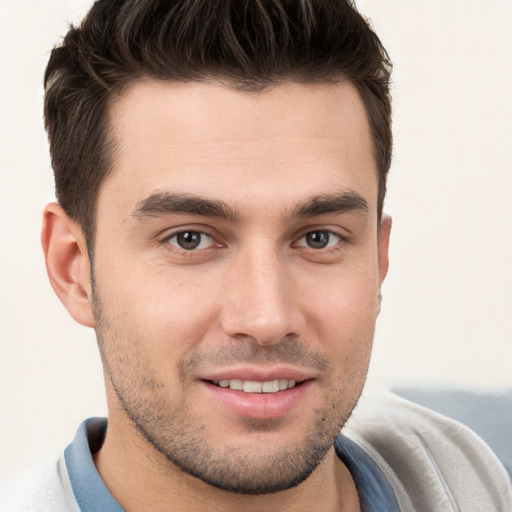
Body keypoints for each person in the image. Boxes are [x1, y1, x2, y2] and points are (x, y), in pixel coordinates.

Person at [0, 0, 510, 511]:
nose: (267, 318)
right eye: (190, 239)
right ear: (74, 269)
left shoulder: (468, 474)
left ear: (379, 259)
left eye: (318, 238)